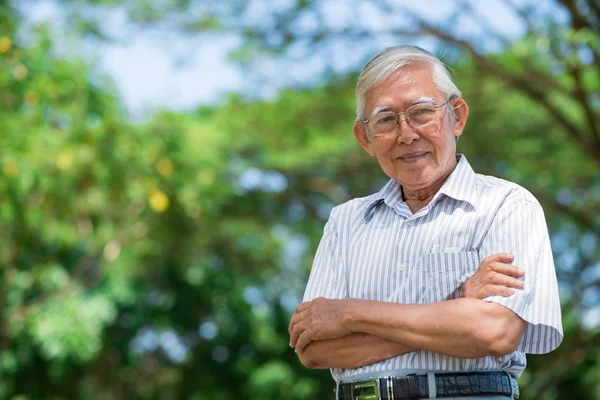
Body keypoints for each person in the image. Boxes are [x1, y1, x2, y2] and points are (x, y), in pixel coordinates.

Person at [288, 45, 563, 400]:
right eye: (386, 119)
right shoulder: (346, 221)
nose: (406, 134)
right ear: (365, 138)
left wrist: (350, 313)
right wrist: (459, 304)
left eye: (420, 112)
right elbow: (315, 349)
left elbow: (495, 331)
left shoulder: (506, 205)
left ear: (457, 116)